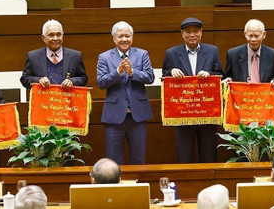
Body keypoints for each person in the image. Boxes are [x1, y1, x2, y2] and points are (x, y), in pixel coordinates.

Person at [162, 17, 223, 163]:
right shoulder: (172, 53)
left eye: (196, 31)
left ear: (201, 32)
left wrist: (210, 74)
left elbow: (220, 74)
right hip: (183, 114)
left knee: (209, 156)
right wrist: (172, 71)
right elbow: (164, 76)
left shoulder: (212, 51)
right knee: (185, 156)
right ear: (182, 34)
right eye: (188, 32)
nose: (192, 35)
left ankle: (210, 183)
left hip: (207, 114)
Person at [96, 21, 155, 165]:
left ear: (132, 37)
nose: (124, 39)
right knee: (113, 160)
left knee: (138, 159)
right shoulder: (104, 57)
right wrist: (118, 72)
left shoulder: (142, 54)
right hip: (114, 116)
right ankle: (115, 187)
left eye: (127, 36)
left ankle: (139, 186)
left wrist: (132, 72)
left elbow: (150, 77)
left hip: (138, 116)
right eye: (120, 36)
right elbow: (101, 83)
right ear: (114, 38)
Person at [20, 19, 87, 91]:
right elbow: (24, 79)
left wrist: (72, 81)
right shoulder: (33, 56)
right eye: (51, 35)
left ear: (62, 35)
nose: (55, 38)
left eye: (58, 34)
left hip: (68, 100)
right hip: (43, 100)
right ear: (43, 38)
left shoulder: (75, 56)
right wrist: (38, 80)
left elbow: (83, 78)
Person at [223, 19, 274, 86]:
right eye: (250, 36)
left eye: (257, 36)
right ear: (245, 34)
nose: (253, 39)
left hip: (263, 94)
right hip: (241, 94)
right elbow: (227, 76)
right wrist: (228, 79)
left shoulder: (272, 54)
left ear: (264, 35)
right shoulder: (233, 54)